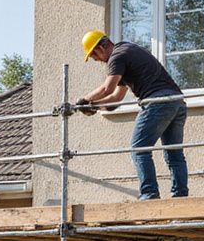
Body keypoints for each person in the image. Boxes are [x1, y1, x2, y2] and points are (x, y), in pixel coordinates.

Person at [76, 30, 188, 200]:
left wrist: (83, 100)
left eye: (94, 55)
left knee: (139, 149)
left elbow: (108, 88)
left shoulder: (117, 56)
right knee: (173, 152)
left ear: (102, 46)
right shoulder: (129, 51)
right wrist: (95, 106)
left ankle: (149, 194)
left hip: (157, 101)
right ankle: (180, 195)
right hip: (177, 103)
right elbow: (116, 98)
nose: (97, 60)